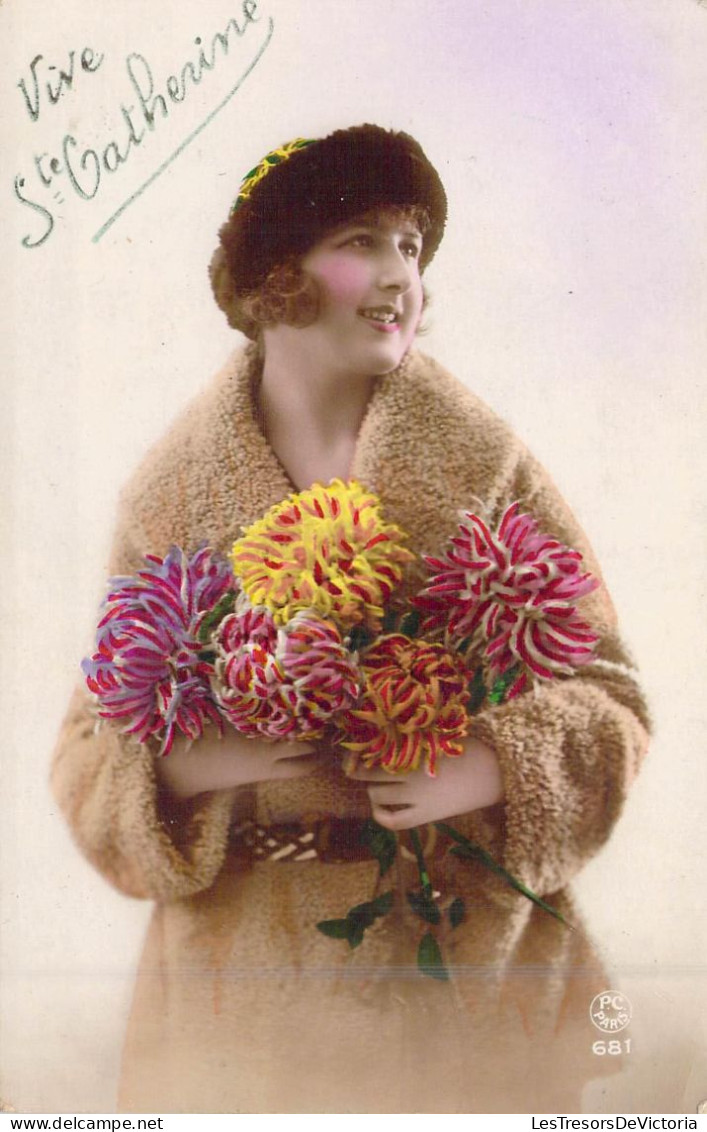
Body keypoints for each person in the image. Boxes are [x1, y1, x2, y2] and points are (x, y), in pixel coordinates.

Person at [52, 124, 650, 1114]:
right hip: (240, 989)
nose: (397, 276)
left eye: (410, 246)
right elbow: (88, 746)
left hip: (466, 968)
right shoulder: (169, 491)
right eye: (360, 241)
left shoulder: (484, 462)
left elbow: (610, 702)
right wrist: (196, 759)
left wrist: (485, 763)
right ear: (274, 278)